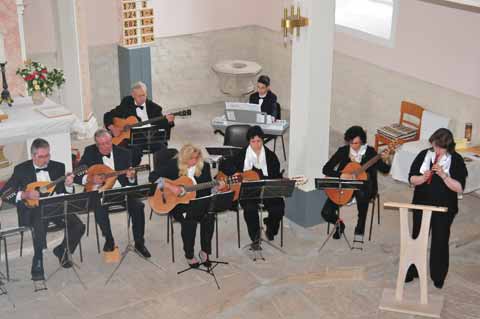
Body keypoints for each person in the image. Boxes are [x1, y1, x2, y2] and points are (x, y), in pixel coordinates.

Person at [0, 139, 85, 281]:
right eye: (41, 157)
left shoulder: (58, 167)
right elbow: (6, 193)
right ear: (33, 156)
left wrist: (69, 185)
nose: (45, 160)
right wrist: (25, 194)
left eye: (47, 156)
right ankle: (37, 259)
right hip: (32, 210)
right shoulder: (21, 169)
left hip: (55, 208)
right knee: (40, 220)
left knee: (79, 226)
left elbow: (65, 192)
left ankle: (62, 250)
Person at [74, 128, 151, 258]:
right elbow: (77, 174)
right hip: (100, 191)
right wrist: (90, 179)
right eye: (101, 144)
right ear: (96, 144)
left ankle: (139, 242)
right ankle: (109, 239)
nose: (105, 147)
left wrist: (131, 177)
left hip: (121, 189)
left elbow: (132, 183)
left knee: (138, 206)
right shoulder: (89, 152)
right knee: (99, 209)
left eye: (108, 143)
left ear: (112, 140)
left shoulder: (124, 153)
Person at [406, 128, 467, 289]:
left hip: (444, 208)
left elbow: (459, 188)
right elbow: (411, 178)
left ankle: (438, 275)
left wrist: (444, 175)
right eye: (434, 146)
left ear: (448, 147)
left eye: (440, 147)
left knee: (440, 240)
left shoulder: (456, 160)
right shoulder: (424, 154)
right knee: (417, 237)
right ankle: (413, 270)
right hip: (421, 203)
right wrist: (422, 177)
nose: (436, 150)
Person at [149, 144, 219, 267]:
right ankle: (189, 254)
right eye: (191, 159)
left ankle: (204, 251)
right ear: (184, 159)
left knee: (210, 217)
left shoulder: (204, 166)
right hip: (177, 204)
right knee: (189, 221)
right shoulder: (174, 165)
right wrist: (170, 186)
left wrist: (215, 188)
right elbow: (152, 176)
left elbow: (207, 189)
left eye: (196, 158)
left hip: (199, 201)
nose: (194, 161)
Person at [220, 126, 284, 250]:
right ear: (249, 142)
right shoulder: (243, 153)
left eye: (259, 141)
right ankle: (255, 238)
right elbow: (224, 164)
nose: (256, 145)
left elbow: (276, 176)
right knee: (250, 209)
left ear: (263, 140)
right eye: (253, 141)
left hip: (266, 189)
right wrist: (235, 172)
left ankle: (271, 228)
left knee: (278, 207)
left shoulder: (271, 157)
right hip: (247, 190)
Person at [321, 126, 391, 238]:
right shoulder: (343, 151)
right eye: (350, 143)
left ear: (362, 141)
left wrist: (387, 159)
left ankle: (360, 225)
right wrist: (341, 175)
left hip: (364, 188)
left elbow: (385, 170)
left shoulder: (370, 153)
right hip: (344, 186)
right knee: (326, 212)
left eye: (355, 143)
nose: (352, 146)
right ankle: (339, 225)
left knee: (362, 192)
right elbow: (326, 169)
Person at [103, 81, 175, 166]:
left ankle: (159, 174)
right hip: (133, 140)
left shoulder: (155, 108)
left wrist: (169, 122)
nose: (142, 98)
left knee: (162, 150)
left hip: (150, 138)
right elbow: (108, 115)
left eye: (144, 95)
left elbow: (163, 126)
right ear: (133, 95)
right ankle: (131, 175)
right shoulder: (126, 103)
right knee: (133, 153)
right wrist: (112, 127)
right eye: (139, 96)